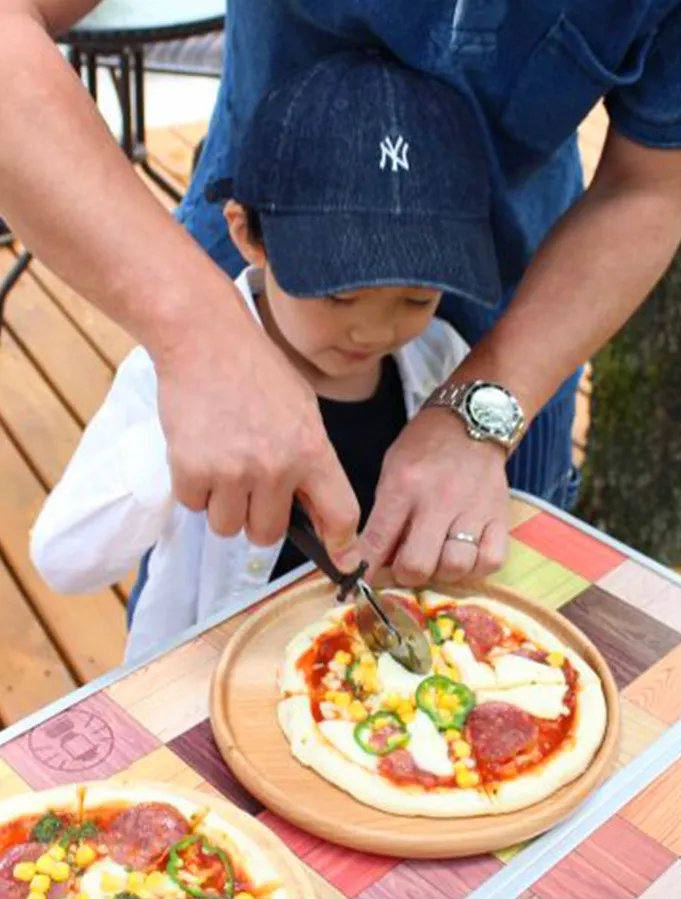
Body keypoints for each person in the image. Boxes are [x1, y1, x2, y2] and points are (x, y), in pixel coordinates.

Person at [0, 0, 681, 588]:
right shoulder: (230, 281)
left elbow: (650, 185)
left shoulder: (448, 347)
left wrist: (487, 406)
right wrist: (201, 336)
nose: (372, 326)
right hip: (278, 253)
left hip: (514, 290)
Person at [29, 51, 500, 662]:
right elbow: (62, 559)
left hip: (369, 676)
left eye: (418, 295)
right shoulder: (172, 375)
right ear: (248, 234)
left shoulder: (441, 358)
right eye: (339, 293)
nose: (375, 328)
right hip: (202, 679)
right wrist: (173, 447)